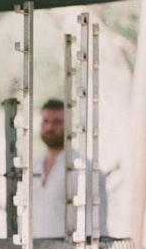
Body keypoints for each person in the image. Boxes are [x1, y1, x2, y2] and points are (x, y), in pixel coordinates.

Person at [30, 98, 108, 239]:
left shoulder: (83, 167)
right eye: (45, 122)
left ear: (69, 126)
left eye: (57, 122)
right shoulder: (33, 166)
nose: (50, 128)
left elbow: (96, 221)